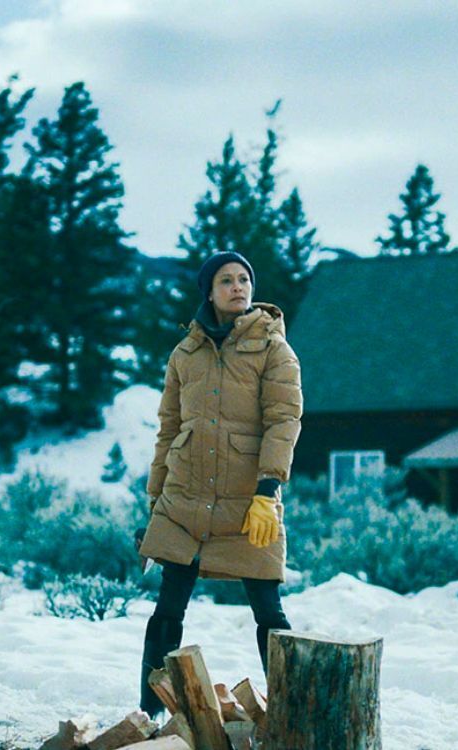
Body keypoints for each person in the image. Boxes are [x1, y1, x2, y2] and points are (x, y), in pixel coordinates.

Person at [135, 251, 302, 717]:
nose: (237, 287)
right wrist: (155, 499)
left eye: (244, 279)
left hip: (248, 503)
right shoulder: (184, 353)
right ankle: (150, 717)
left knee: (268, 611)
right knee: (167, 612)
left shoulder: (273, 349)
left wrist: (268, 492)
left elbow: (284, 421)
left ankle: (294, 715)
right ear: (209, 291)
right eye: (226, 280)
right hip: (182, 501)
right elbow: (169, 427)